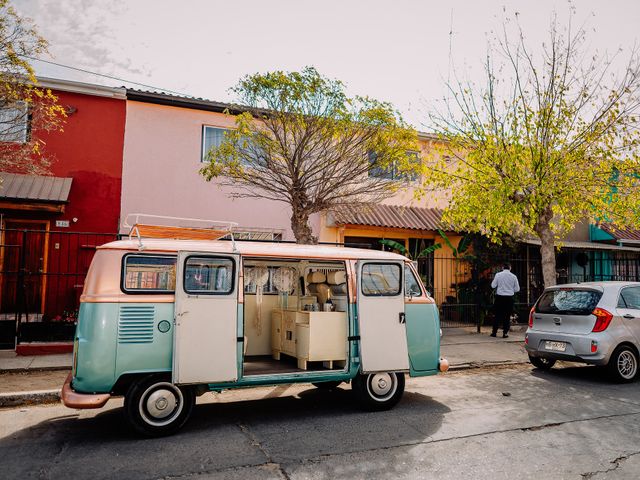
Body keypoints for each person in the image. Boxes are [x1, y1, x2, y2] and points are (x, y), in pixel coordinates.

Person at [490, 263, 520, 338]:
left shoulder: (498, 275)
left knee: (497, 315)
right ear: (510, 268)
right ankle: (505, 333)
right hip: (509, 298)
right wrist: (510, 289)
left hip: (499, 298)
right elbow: (517, 289)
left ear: (502, 268)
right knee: (507, 316)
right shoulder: (514, 276)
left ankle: (494, 332)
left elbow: (493, 285)